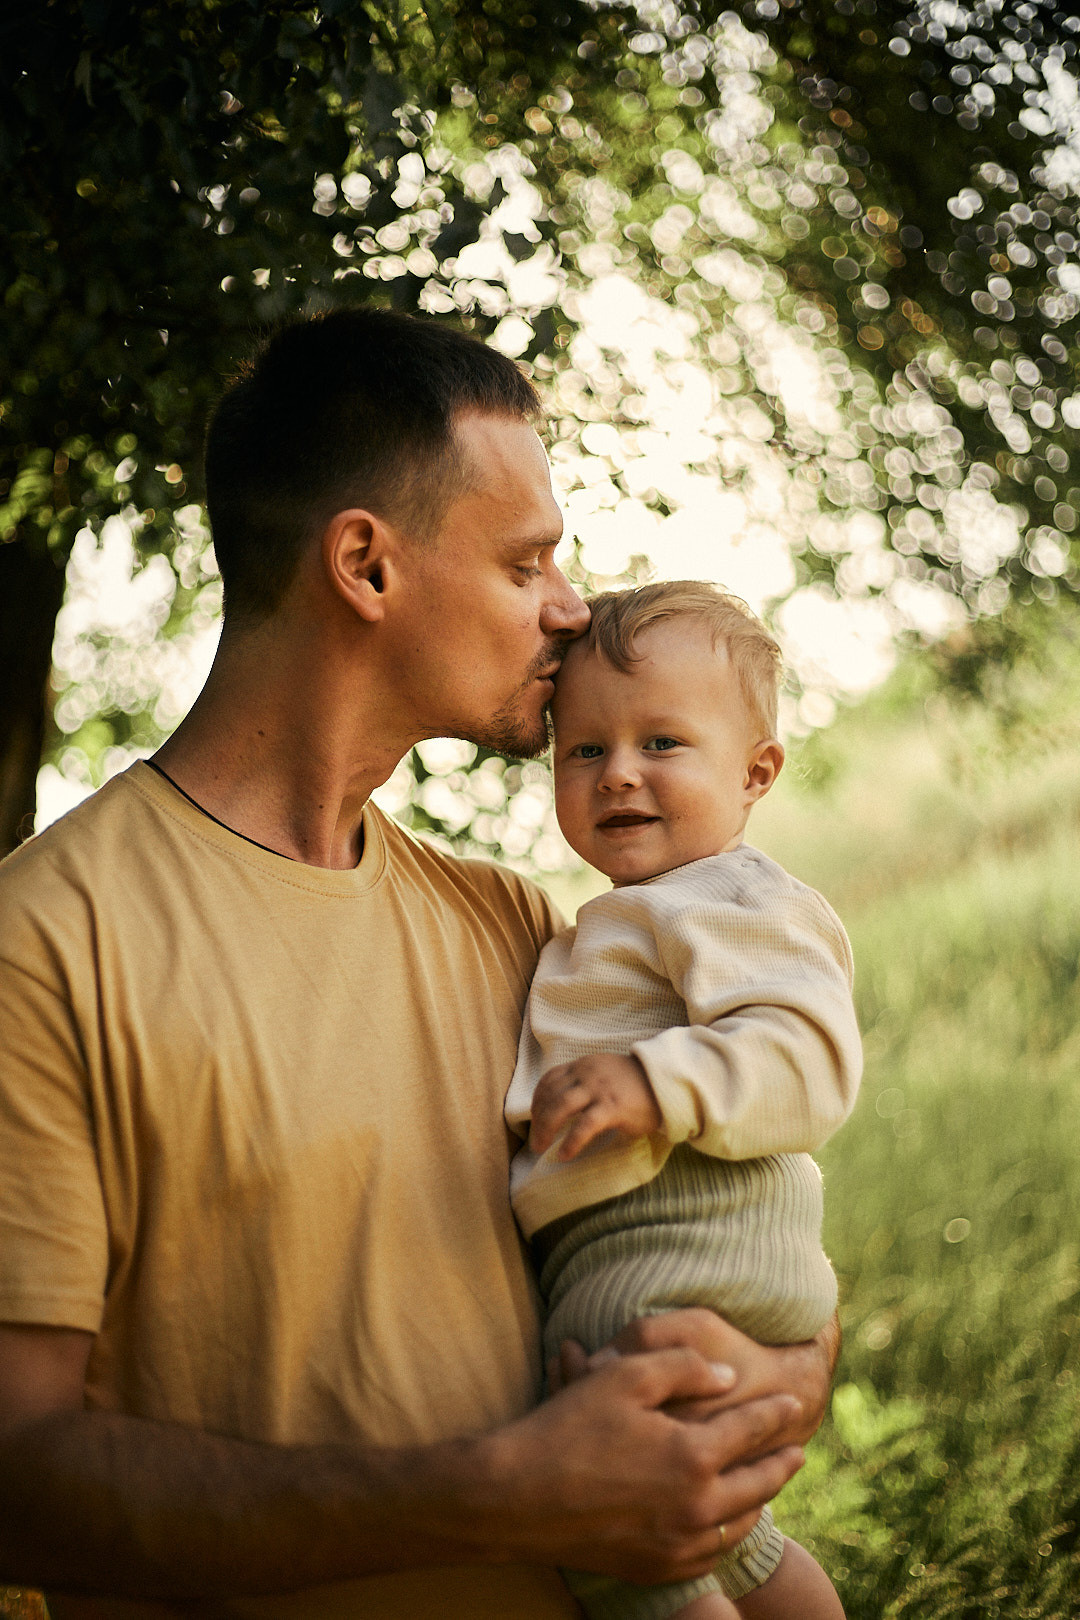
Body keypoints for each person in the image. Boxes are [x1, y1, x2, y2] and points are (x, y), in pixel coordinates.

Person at [0, 309, 836, 1620]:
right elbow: (18, 1477)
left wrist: (786, 1378)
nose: (571, 610)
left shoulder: (513, 929)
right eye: (527, 562)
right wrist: (506, 1493)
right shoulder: (44, 945)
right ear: (365, 566)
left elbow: (720, 1222)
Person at [505, 583, 863, 1620]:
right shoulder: (633, 916)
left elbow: (810, 1058)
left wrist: (656, 1082)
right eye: (583, 751)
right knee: (731, 1545)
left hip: (668, 1272)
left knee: (623, 1555)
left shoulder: (737, 897)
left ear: (756, 773)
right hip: (675, 1269)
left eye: (662, 742)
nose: (618, 772)